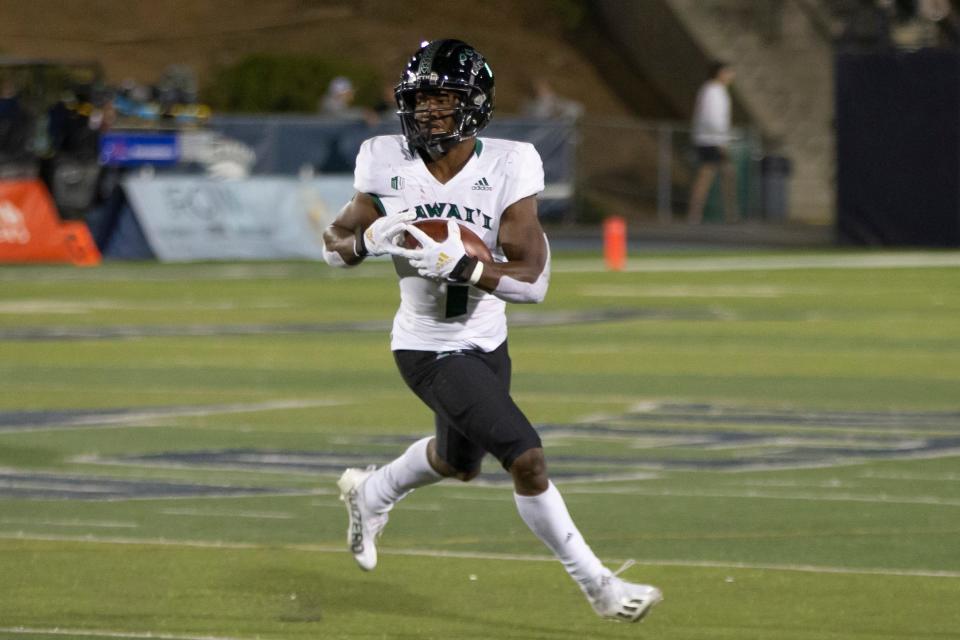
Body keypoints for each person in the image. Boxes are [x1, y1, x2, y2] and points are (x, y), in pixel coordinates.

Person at [321, 38, 662, 623]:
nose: (427, 112)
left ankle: (372, 491)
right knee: (526, 459)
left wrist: (467, 267)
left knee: (459, 464)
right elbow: (334, 244)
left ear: (473, 104)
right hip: (428, 346)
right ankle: (599, 586)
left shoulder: (511, 163)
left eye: (442, 100)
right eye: (420, 100)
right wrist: (365, 242)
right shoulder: (383, 158)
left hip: (488, 337)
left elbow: (532, 281)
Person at [686, 61, 738, 224]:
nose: (731, 76)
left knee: (721, 174)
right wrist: (721, 141)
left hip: (712, 139)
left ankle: (727, 213)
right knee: (712, 175)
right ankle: (697, 213)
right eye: (728, 72)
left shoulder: (717, 91)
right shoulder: (711, 91)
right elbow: (712, 119)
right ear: (720, 73)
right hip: (710, 141)